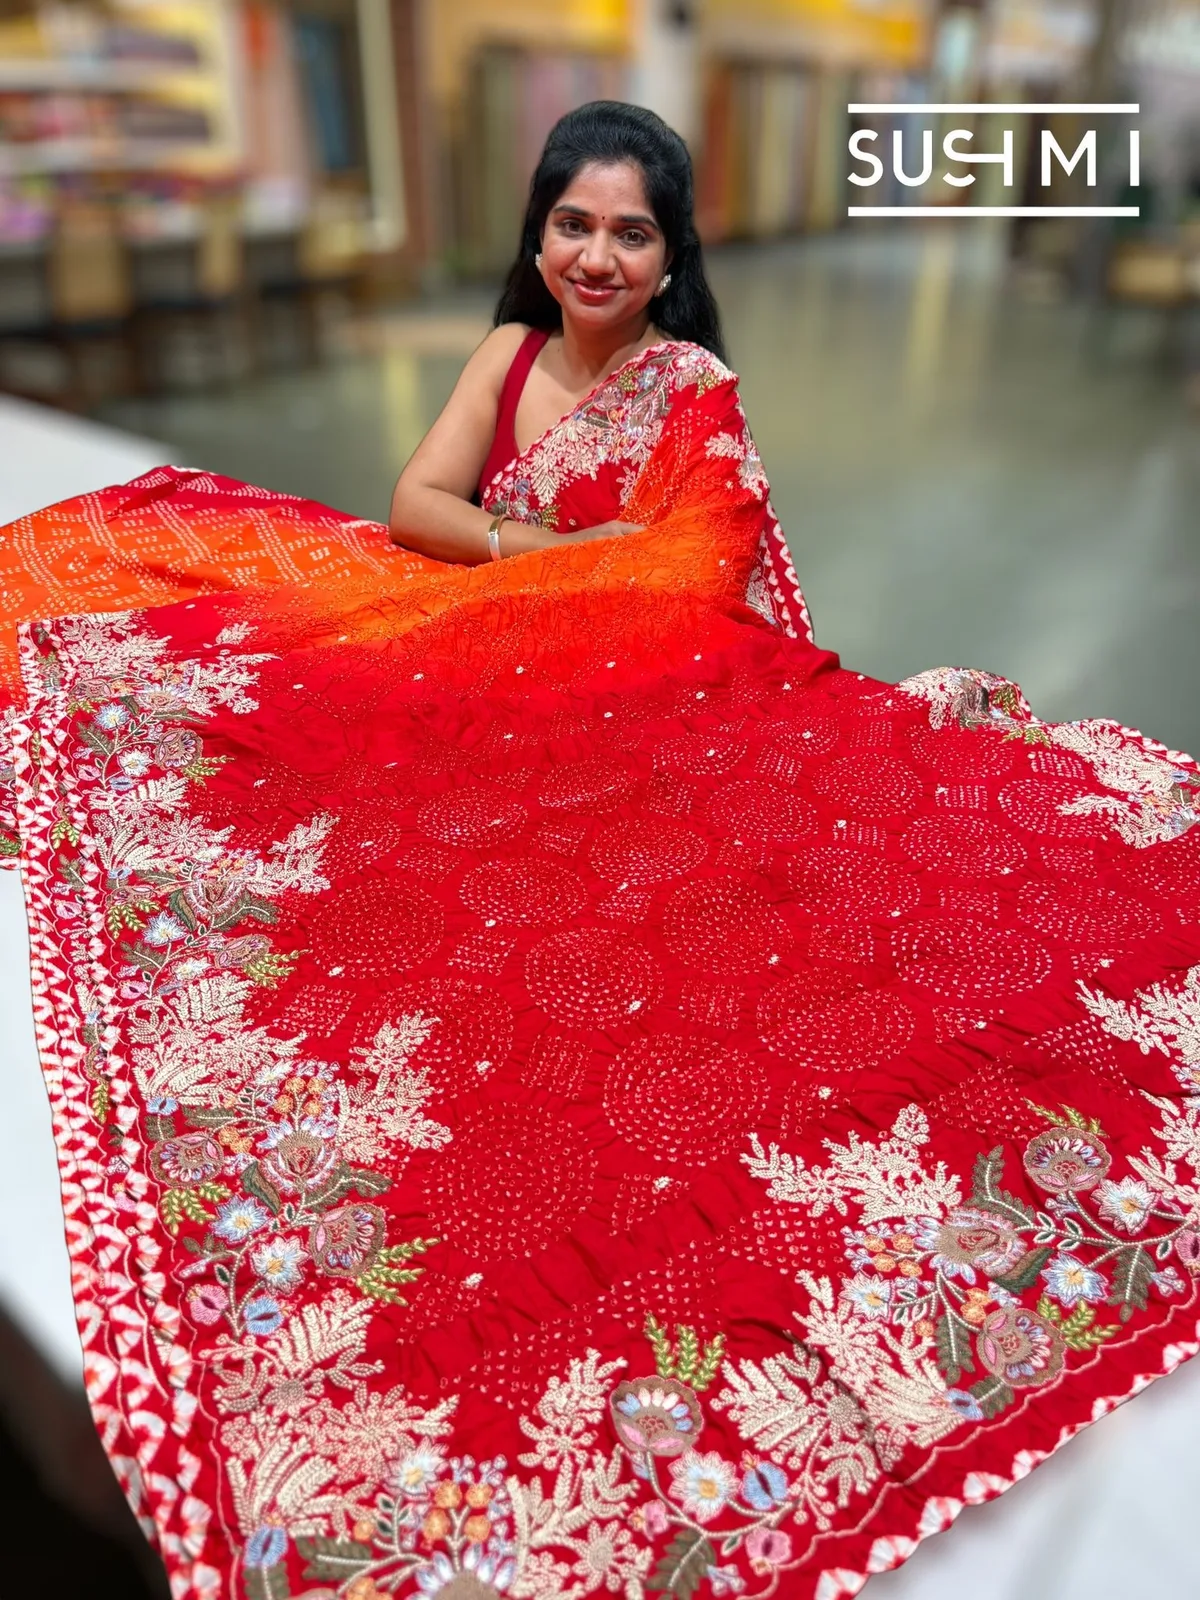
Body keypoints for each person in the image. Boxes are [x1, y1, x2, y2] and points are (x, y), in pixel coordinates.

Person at [8, 101, 1200, 1600]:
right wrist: (549, 563)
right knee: (267, 741)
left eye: (630, 230)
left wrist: (525, 568)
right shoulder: (507, 357)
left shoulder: (687, 386)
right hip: (486, 646)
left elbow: (693, 579)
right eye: (572, 221)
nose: (595, 252)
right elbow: (412, 507)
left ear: (668, 252)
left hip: (642, 674)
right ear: (541, 230)